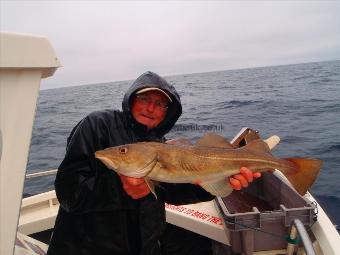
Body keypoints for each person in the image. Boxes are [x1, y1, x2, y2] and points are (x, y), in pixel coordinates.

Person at [47, 71, 261, 255]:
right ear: (131, 100)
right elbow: (68, 193)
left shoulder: (161, 145)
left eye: (159, 104)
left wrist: (219, 182)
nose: (150, 108)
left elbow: (172, 191)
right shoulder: (97, 125)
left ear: (167, 113)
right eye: (144, 99)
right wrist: (119, 186)